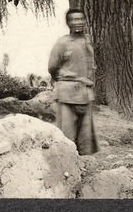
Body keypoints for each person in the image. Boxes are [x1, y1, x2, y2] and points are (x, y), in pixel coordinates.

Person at [48, 8, 99, 155]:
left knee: (85, 139)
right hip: (67, 95)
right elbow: (52, 67)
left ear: (85, 21)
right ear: (68, 23)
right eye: (74, 20)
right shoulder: (62, 43)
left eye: (80, 19)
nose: (78, 22)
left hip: (85, 93)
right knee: (67, 136)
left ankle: (85, 168)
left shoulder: (88, 41)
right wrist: (65, 80)